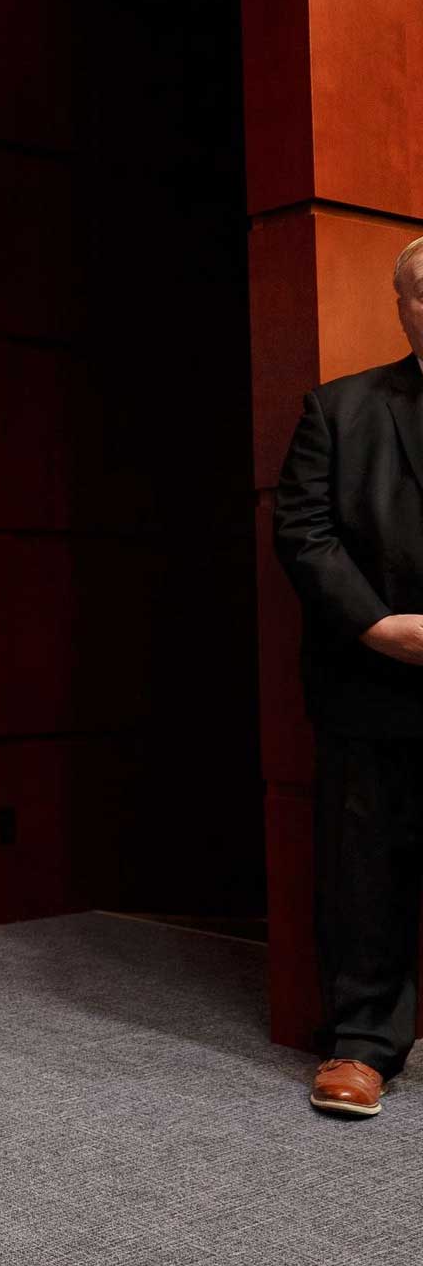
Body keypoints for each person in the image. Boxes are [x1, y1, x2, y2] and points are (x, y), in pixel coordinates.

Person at [274, 236, 423, 1119]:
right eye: (422, 293)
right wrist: (378, 627)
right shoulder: (338, 409)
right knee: (365, 872)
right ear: (401, 304)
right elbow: (303, 533)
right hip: (372, 681)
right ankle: (363, 1045)